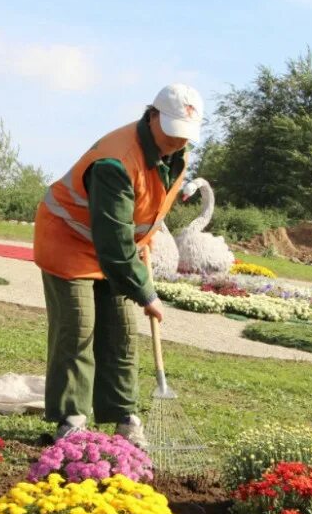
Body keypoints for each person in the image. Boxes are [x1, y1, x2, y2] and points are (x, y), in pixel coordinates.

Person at [33, 83, 204, 447]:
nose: (178, 141)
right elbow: (112, 243)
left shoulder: (178, 156)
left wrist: (146, 238)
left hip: (119, 245)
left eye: (185, 135)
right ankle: (71, 419)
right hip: (70, 239)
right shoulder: (116, 161)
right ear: (152, 115)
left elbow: (145, 208)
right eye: (172, 130)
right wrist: (146, 293)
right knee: (78, 326)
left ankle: (124, 416)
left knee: (122, 332)